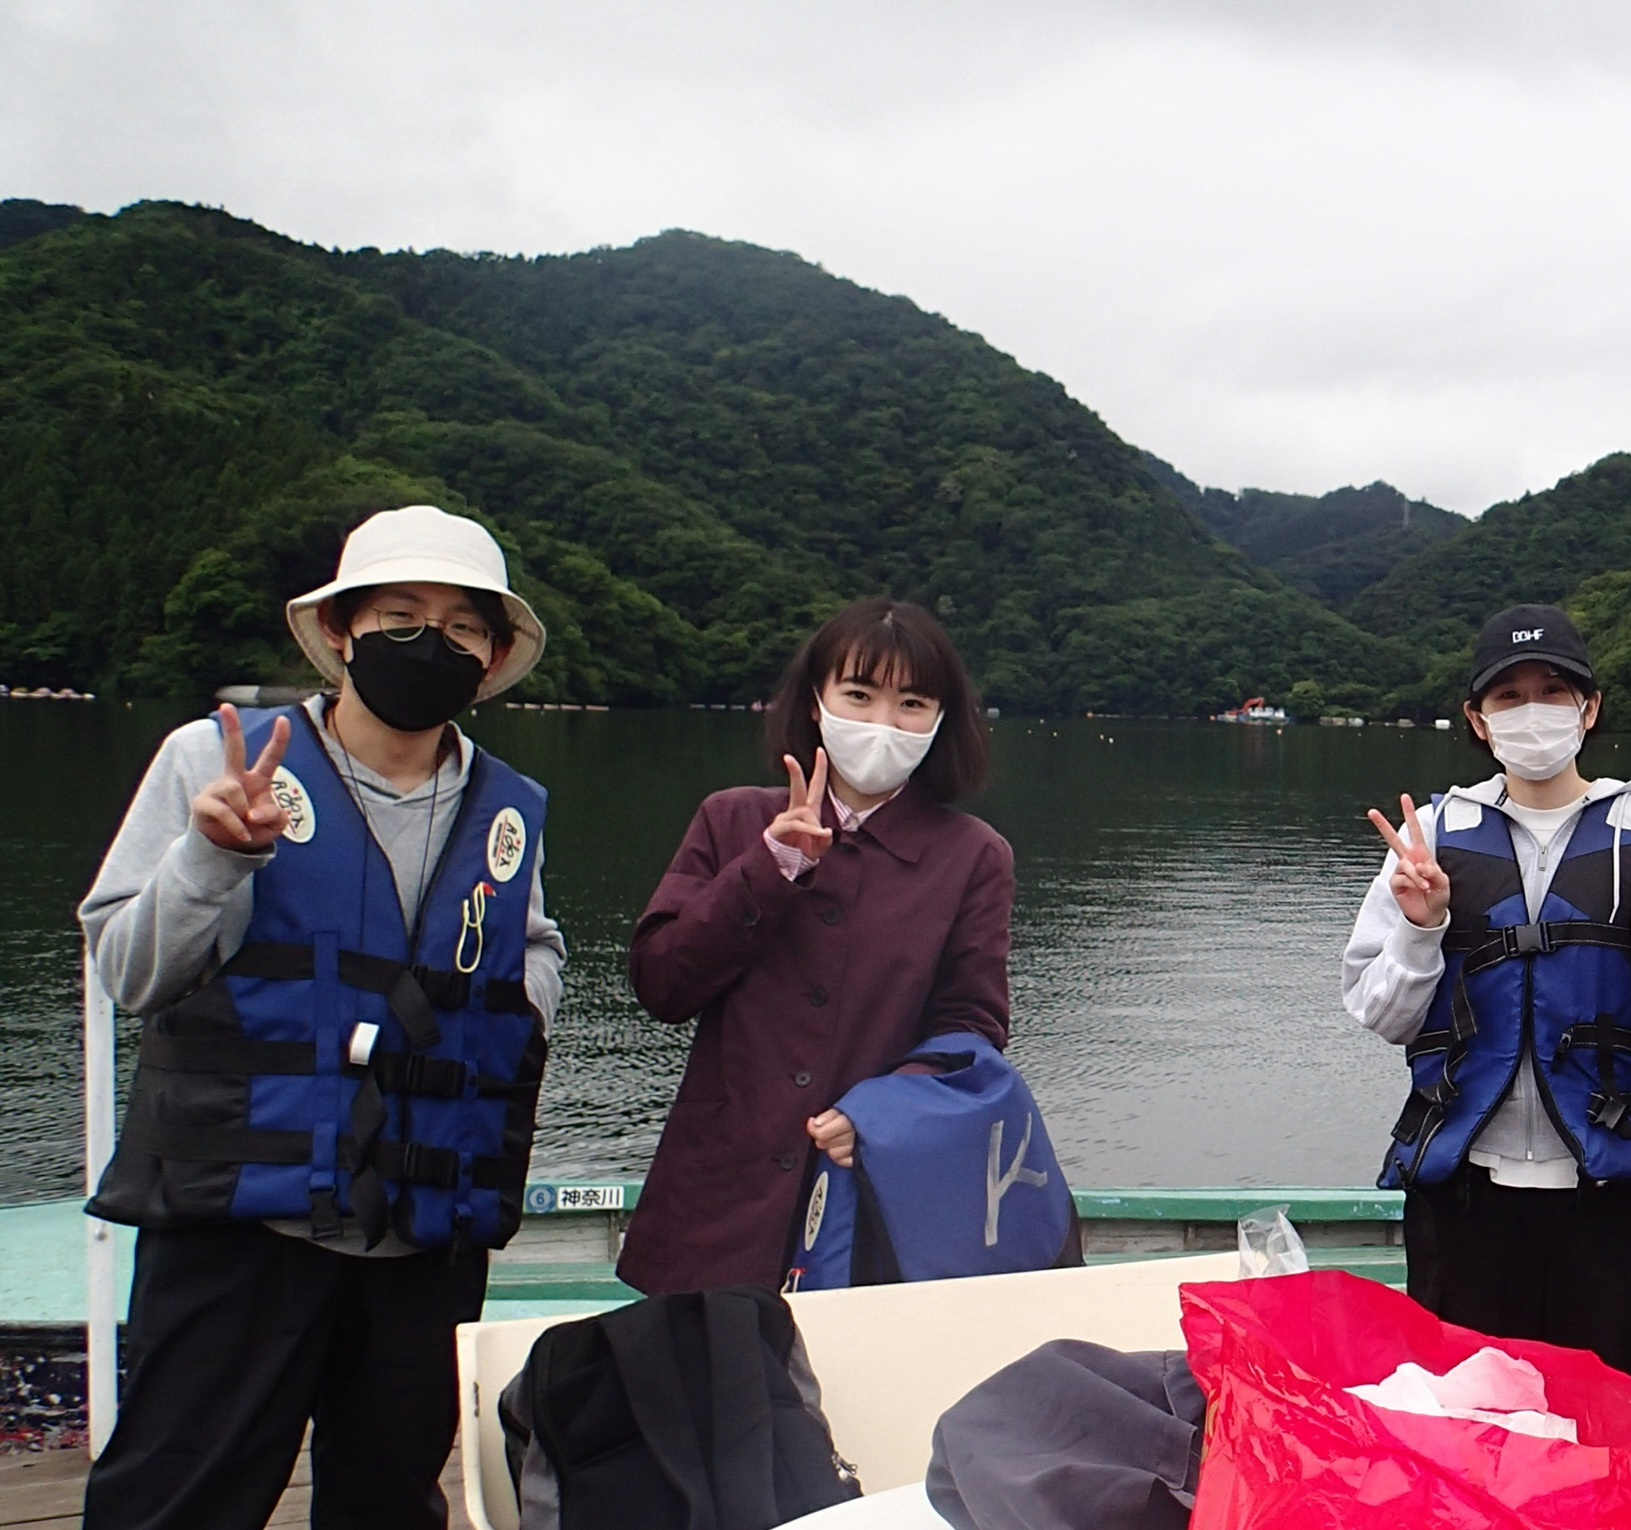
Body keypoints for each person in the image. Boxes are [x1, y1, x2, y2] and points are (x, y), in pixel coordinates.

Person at [79, 504, 563, 1530]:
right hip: (240, 1220)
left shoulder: (509, 810)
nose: (427, 643)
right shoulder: (213, 761)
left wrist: (512, 1009)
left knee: (388, 1504)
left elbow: (532, 955)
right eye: (397, 616)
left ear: (493, 655)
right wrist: (215, 856)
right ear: (339, 633)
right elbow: (129, 971)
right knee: (176, 1499)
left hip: (422, 1237)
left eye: (460, 627)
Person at [1344, 604, 1631, 1384]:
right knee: (1472, 1436)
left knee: (1610, 1428)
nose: (1532, 713)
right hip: (1468, 1200)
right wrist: (1422, 929)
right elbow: (1379, 1014)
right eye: (1508, 696)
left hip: (1610, 1199)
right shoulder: (1434, 835)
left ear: (1589, 708)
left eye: (1553, 691)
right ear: (1477, 721)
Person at [621, 598, 1013, 1295]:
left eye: (912, 703)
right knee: (707, 1392)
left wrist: (884, 1114)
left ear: (941, 721)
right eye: (858, 696)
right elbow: (661, 984)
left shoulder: (973, 857)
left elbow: (971, 1026)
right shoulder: (734, 818)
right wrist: (767, 869)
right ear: (816, 702)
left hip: (873, 1197)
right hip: (719, 1197)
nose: (882, 725)